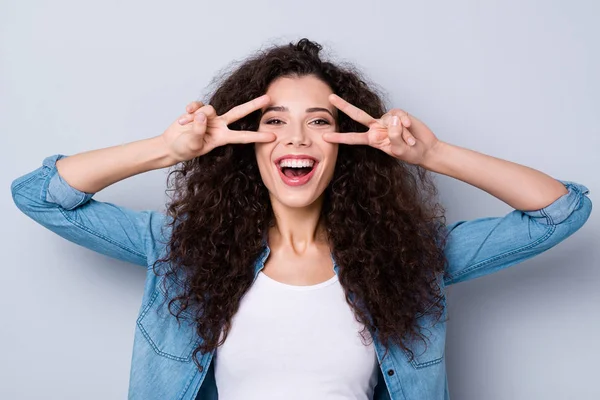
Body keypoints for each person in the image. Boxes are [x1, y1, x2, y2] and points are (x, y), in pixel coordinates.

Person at [10, 38, 592, 400]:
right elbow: (39, 195)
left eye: (318, 121)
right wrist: (170, 149)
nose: (295, 137)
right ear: (244, 143)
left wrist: (431, 155)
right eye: (273, 122)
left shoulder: (408, 258)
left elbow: (560, 211)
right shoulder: (176, 248)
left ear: (346, 145)